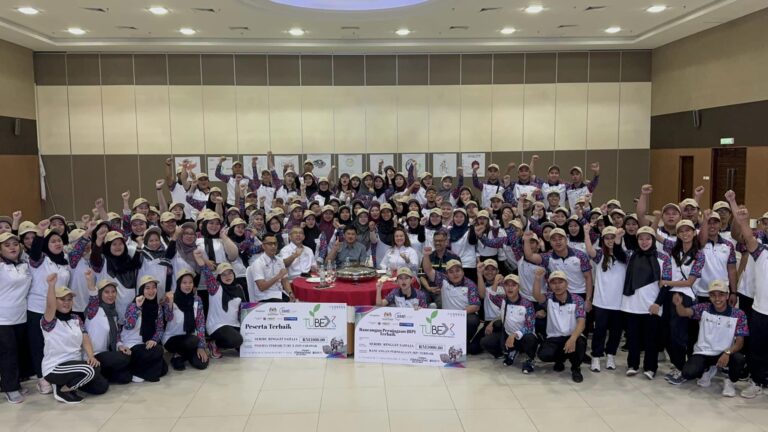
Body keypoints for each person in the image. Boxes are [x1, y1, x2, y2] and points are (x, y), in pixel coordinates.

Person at [671, 280, 748, 397]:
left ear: (727, 296)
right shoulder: (704, 308)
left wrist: (727, 353)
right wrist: (678, 304)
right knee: (688, 373)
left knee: (739, 359)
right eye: (713, 295)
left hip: (724, 353)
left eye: (721, 295)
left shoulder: (738, 314)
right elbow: (684, 312)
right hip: (704, 352)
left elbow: (740, 342)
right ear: (709, 297)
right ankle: (707, 370)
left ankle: (730, 381)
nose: (717, 299)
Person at [41, 274, 109, 404]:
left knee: (101, 386)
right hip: (55, 367)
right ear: (55, 301)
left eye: (69, 299)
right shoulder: (49, 322)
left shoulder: (76, 318)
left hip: (75, 366)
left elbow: (85, 338)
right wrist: (51, 286)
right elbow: (50, 307)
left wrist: (91, 356)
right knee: (90, 370)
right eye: (62, 299)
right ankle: (62, 390)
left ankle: (68, 384)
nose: (66, 303)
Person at [727, 197, 768, 398]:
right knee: (758, 348)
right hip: (761, 310)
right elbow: (746, 236)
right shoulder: (761, 253)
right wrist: (740, 215)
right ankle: (757, 381)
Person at [621, 226, 672, 380]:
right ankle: (633, 365)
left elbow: (666, 284)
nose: (644, 242)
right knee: (633, 338)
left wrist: (658, 303)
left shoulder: (663, 258)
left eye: (648, 238)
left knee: (651, 339)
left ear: (653, 240)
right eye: (641, 239)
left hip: (652, 306)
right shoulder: (630, 255)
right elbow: (617, 251)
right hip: (632, 305)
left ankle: (650, 367)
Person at [28, 219, 72, 395]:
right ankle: (42, 378)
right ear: (46, 244)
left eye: (59, 240)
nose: (57, 243)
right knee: (38, 344)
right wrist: (40, 232)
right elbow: (34, 251)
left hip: (57, 310)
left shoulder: (64, 261)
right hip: (38, 308)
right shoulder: (40, 259)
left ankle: (55, 374)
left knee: (53, 344)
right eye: (52, 241)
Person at [584, 225, 627, 372]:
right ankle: (596, 356)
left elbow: (621, 253)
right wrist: (586, 233)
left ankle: (611, 355)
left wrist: (619, 240)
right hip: (601, 302)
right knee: (599, 331)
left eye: (613, 238)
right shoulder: (599, 255)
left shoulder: (624, 256)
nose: (610, 241)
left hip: (619, 303)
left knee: (616, 332)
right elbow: (589, 250)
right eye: (607, 238)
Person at [532, 269, 587, 383]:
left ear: (567, 284)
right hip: (554, 337)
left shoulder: (577, 299)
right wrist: (537, 279)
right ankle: (560, 360)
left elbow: (581, 322)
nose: (557, 286)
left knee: (580, 344)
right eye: (554, 283)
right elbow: (536, 295)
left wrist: (573, 338)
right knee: (544, 355)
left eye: (560, 282)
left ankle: (576, 368)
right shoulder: (549, 298)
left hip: (572, 336)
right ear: (550, 286)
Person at [421, 257, 482, 354]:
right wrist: (426, 255)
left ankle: (464, 341)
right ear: (447, 274)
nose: (455, 274)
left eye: (458, 270)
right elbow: (428, 270)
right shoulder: (442, 280)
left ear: (463, 272)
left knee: (472, 320)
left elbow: (475, 306)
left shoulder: (470, 285)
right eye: (451, 272)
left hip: (463, 317)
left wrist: (457, 315)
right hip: (446, 319)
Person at [480, 274, 538, 373]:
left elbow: (530, 326)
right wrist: (496, 282)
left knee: (530, 339)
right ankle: (511, 352)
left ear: (519, 287)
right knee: (486, 341)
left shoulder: (527, 304)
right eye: (507, 285)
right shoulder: (502, 300)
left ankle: (530, 359)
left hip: (523, 336)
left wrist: (514, 335)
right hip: (507, 334)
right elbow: (491, 296)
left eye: (513, 285)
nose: (510, 288)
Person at [0, 232, 33, 403]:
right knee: (8, 354)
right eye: (7, 245)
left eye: (14, 244)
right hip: (2, 319)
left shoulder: (24, 265)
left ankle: (15, 383)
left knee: (18, 352)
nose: (12, 247)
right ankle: (10, 388)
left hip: (20, 316)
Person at [84, 274, 132, 384]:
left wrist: (120, 345)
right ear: (100, 293)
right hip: (92, 356)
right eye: (106, 292)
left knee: (126, 377)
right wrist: (90, 282)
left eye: (113, 291)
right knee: (123, 359)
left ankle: (102, 374)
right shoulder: (94, 310)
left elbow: (116, 334)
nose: (111, 295)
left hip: (106, 353)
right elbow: (93, 297)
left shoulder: (113, 313)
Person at [196, 251, 244, 358]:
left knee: (245, 344)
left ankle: (228, 342)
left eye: (230, 273)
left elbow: (241, 309)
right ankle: (214, 344)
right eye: (223, 274)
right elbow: (207, 274)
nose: (227, 276)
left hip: (234, 324)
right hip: (217, 325)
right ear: (218, 276)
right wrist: (200, 259)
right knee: (236, 340)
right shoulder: (215, 287)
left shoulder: (238, 288)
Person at [120, 275, 167, 383]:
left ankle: (139, 371)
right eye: (147, 288)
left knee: (164, 369)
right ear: (142, 290)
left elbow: (160, 329)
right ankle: (141, 372)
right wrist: (137, 307)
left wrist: (154, 340)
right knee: (158, 351)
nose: (151, 291)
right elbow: (128, 325)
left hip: (145, 344)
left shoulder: (158, 308)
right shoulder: (133, 306)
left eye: (154, 287)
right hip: (131, 344)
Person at [162, 269, 209, 371]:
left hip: (189, 338)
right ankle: (178, 353)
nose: (188, 285)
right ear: (179, 283)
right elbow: (168, 318)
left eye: (190, 282)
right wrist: (170, 304)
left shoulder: (197, 300)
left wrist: (201, 347)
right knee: (193, 341)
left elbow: (200, 324)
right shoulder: (170, 298)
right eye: (184, 282)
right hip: (172, 338)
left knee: (202, 364)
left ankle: (178, 356)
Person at [247, 235, 294, 303]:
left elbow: (285, 280)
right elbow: (262, 287)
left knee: (296, 304)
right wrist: (278, 276)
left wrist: (290, 293)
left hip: (279, 294)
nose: (273, 246)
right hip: (265, 297)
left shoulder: (280, 261)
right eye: (270, 244)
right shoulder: (258, 263)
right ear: (263, 246)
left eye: (275, 243)